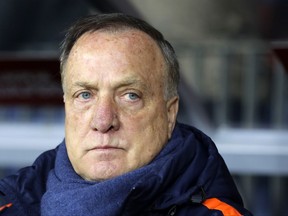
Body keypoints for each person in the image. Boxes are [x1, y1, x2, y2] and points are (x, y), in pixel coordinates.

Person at [0, 13, 252, 216]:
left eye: (130, 95)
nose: (103, 121)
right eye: (85, 95)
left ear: (169, 113)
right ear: (66, 106)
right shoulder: (11, 202)